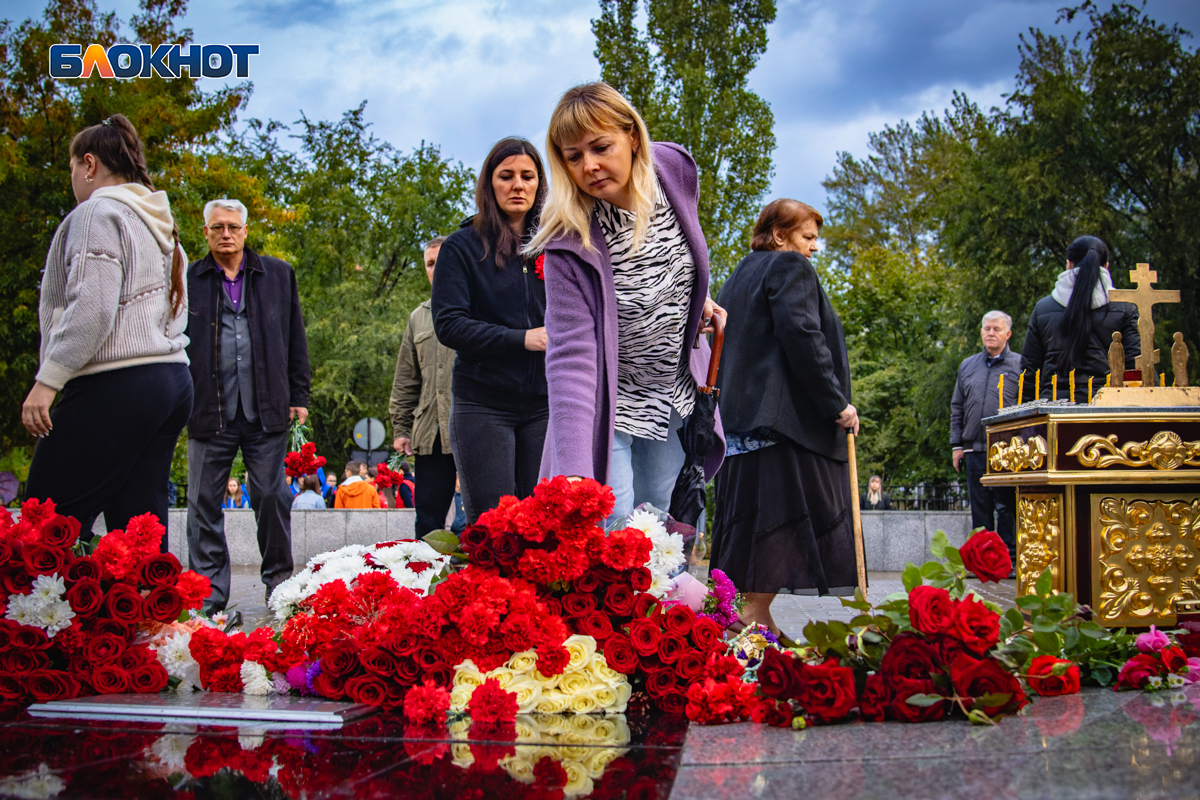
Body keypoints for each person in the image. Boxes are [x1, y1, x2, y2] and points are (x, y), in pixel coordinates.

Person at [528, 82, 724, 519]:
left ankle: (664, 592)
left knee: (662, 524)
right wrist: (575, 470)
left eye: (601, 147)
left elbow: (683, 249)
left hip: (671, 389)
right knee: (610, 520)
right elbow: (570, 358)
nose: (590, 166)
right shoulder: (568, 241)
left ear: (633, 136)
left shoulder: (674, 170)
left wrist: (698, 297)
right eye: (573, 156)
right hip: (607, 400)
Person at [22, 114, 193, 545]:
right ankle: (149, 611)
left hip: (118, 381)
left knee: (46, 517)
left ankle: (33, 613)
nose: (73, 180)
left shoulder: (97, 211)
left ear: (90, 164)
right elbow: (178, 307)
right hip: (171, 379)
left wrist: (48, 380)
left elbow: (94, 309)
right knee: (139, 527)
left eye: (72, 169)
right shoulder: (160, 223)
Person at [709, 198, 860, 638]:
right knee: (783, 524)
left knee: (755, 522)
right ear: (780, 236)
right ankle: (754, 619)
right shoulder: (789, 268)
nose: (814, 249)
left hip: (742, 426)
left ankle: (754, 622)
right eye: (808, 238)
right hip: (784, 426)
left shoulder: (739, 274)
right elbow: (804, 338)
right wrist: (837, 403)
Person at [184, 197, 312, 612]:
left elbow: (295, 338)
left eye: (233, 227)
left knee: (271, 496)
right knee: (203, 502)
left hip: (266, 407)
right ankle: (209, 599)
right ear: (205, 232)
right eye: (218, 227)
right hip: (208, 408)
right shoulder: (187, 280)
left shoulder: (278, 274)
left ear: (245, 230)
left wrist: (299, 396)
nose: (226, 234)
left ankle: (279, 589)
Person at [432, 138, 549, 522]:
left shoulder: (558, 245)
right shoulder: (461, 248)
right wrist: (522, 339)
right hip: (483, 405)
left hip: (545, 407)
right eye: (507, 176)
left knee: (542, 530)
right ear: (489, 184)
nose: (518, 185)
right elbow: (449, 325)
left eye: (527, 176)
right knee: (495, 528)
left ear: (540, 183)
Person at [390, 236, 457, 534]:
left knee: (484, 515)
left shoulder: (482, 307)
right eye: (431, 263)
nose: (437, 268)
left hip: (474, 427)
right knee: (428, 521)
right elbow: (406, 380)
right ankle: (427, 578)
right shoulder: (418, 318)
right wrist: (401, 429)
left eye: (442, 260)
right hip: (430, 433)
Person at [1021, 235, 1139, 398]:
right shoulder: (1125, 308)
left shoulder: (1043, 308)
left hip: (1054, 409)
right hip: (1109, 407)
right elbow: (1136, 367)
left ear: (1068, 264)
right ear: (1106, 266)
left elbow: (1030, 372)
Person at [951, 310, 1022, 564]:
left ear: (1008, 334)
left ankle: (1009, 561)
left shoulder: (1020, 365)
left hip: (1008, 450)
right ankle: (981, 563)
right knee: (979, 511)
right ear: (981, 331)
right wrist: (956, 445)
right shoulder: (968, 366)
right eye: (986, 329)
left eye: (996, 329)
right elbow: (957, 407)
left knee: (1007, 509)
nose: (990, 333)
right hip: (973, 450)